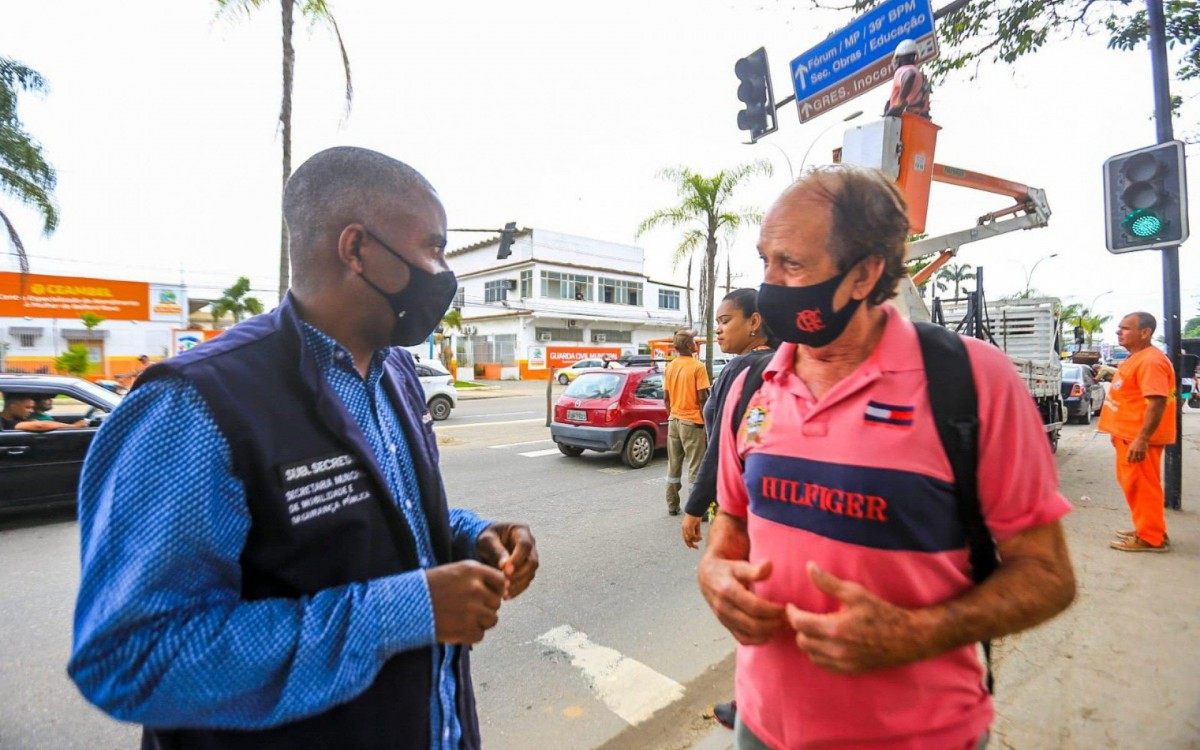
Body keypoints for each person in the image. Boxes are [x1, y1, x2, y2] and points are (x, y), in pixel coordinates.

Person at [69, 147, 539, 750]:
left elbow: (378, 517)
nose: (442, 271)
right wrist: (402, 611)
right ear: (357, 250)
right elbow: (131, 657)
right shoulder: (196, 405)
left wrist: (469, 534)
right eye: (433, 247)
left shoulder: (394, 372)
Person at [698, 167, 1076, 749]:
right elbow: (731, 524)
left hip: (920, 736)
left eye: (791, 264)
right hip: (762, 726)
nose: (768, 285)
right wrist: (715, 574)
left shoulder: (971, 382)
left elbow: (1048, 575)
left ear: (865, 274)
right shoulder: (753, 387)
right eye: (765, 259)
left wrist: (916, 634)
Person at [679, 288, 776, 732]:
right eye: (716, 323)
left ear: (755, 322)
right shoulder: (778, 363)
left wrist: (695, 506)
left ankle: (752, 703)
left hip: (740, 505)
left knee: (746, 602)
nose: (718, 330)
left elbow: (720, 444)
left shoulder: (742, 367)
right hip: (768, 505)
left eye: (726, 320)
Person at [1098, 312, 1176, 552]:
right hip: (1127, 436)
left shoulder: (1151, 361)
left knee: (1143, 487)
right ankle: (1148, 528)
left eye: (1126, 328)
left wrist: (1141, 439)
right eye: (1119, 328)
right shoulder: (1138, 357)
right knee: (1136, 485)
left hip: (1137, 438)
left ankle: (1151, 538)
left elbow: (1157, 402)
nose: (1119, 332)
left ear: (1145, 332)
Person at [662, 330, 710, 515]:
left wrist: (672, 415)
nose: (695, 343)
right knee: (695, 467)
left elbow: (666, 398)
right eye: (693, 341)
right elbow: (703, 399)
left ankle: (672, 505)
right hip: (692, 422)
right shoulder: (698, 367)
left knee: (673, 465)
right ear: (690, 346)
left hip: (674, 420)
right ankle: (696, 510)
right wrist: (705, 423)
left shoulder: (671, 367)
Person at [883, 39, 931, 119]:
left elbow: (909, 76)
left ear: (900, 58)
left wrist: (899, 105)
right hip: (920, 120)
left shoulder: (903, 70)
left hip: (904, 119)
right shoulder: (919, 73)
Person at [1, 392, 87, 431]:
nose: (31, 411)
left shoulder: (14, 419)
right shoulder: (5, 422)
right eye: (27, 407)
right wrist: (73, 426)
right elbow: (40, 426)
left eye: (32, 408)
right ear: (13, 407)